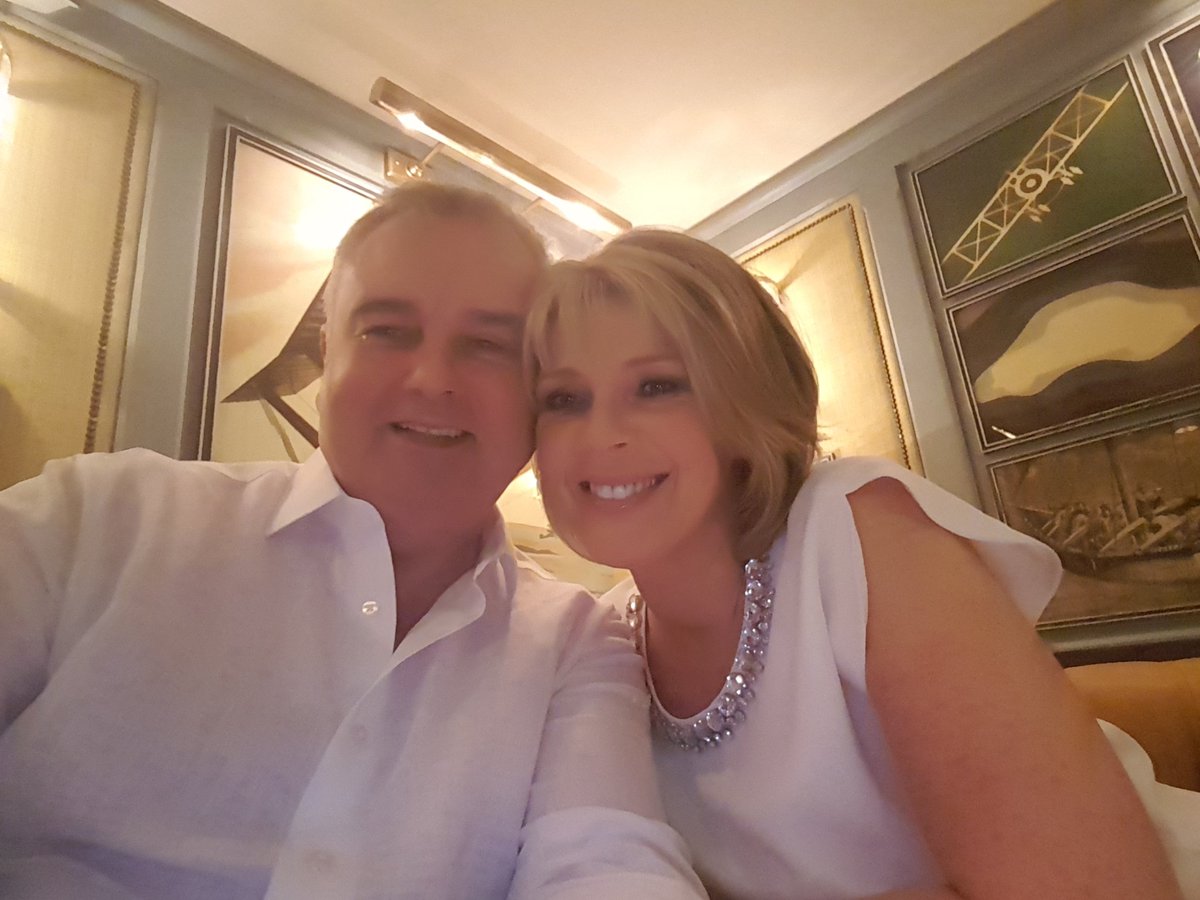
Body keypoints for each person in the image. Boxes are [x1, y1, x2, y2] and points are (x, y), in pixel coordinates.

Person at [0, 185, 706, 899]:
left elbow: (604, 860)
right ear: (326, 352)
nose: (432, 379)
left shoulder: (577, 641)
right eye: (387, 331)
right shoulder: (98, 520)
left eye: (488, 345)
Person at [525, 227, 1189, 899]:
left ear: (744, 404)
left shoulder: (852, 529)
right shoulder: (594, 646)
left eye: (657, 386)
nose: (601, 434)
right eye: (563, 399)